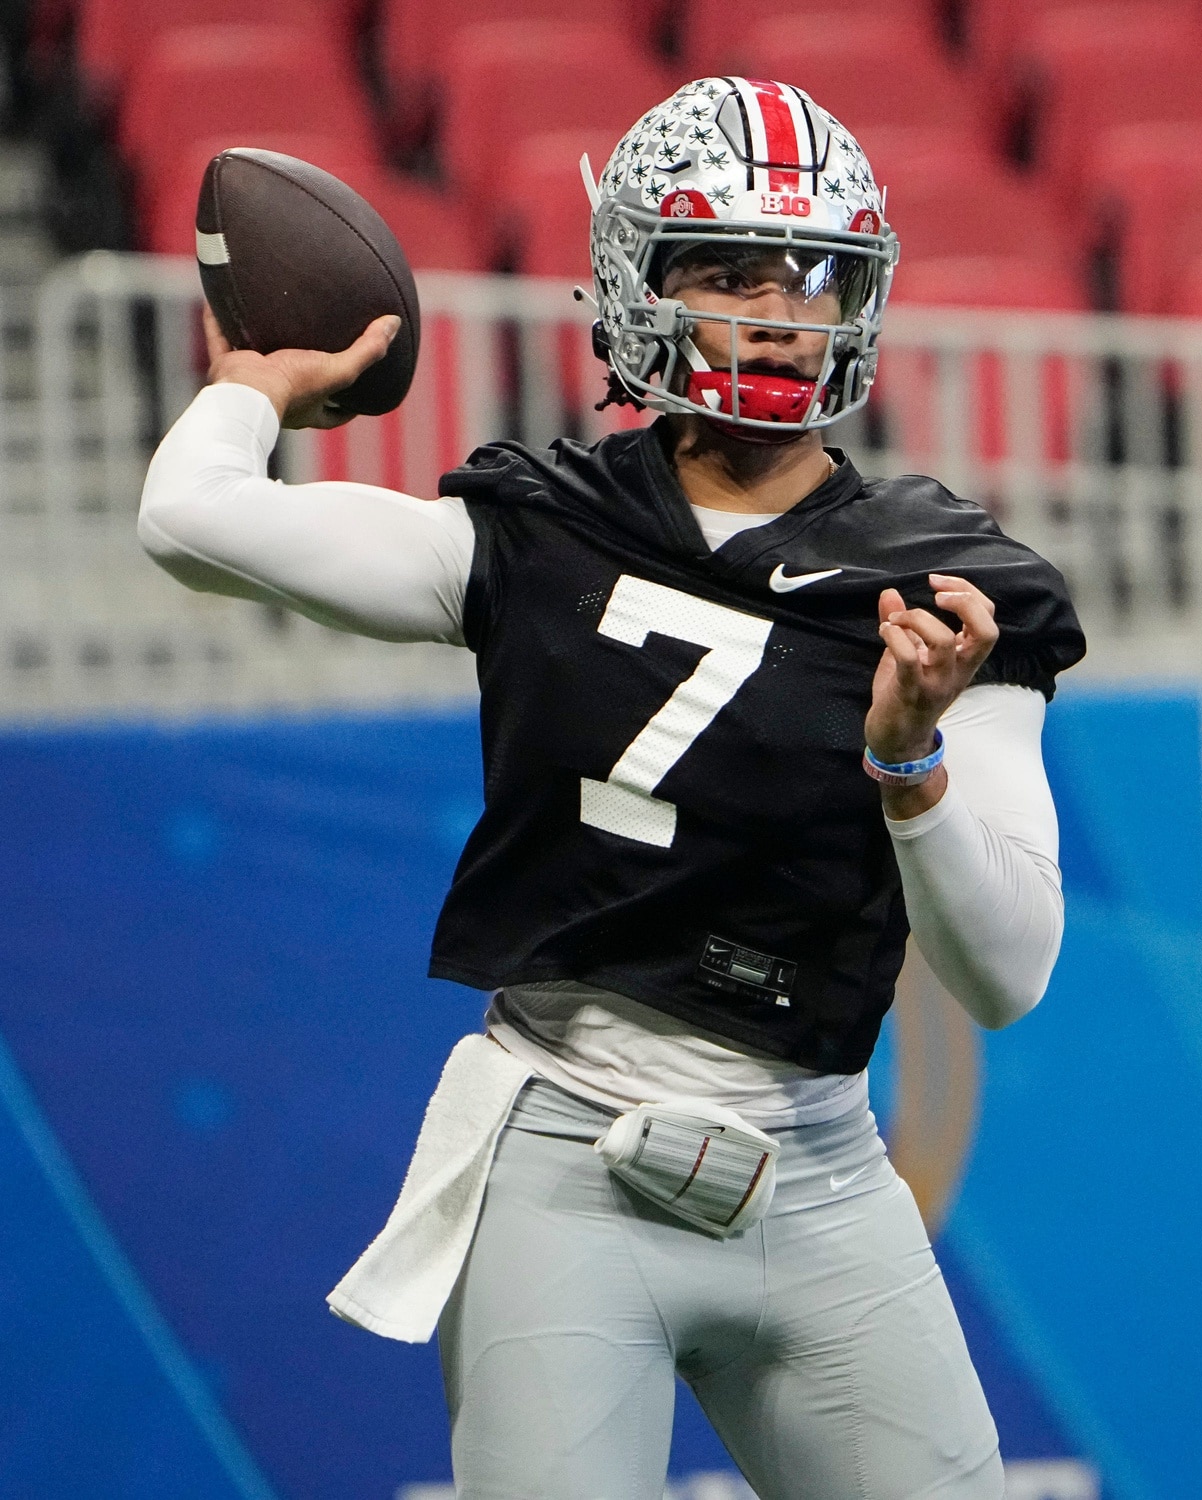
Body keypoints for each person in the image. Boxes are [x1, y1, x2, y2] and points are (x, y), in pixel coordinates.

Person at [137, 76, 1083, 1500]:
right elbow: (192, 520)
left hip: (819, 1174)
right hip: (561, 1156)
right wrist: (252, 385)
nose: (776, 308)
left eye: (810, 272)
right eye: (725, 270)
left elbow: (1006, 976)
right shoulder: (536, 529)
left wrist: (908, 763)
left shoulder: (944, 583)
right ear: (640, 285)